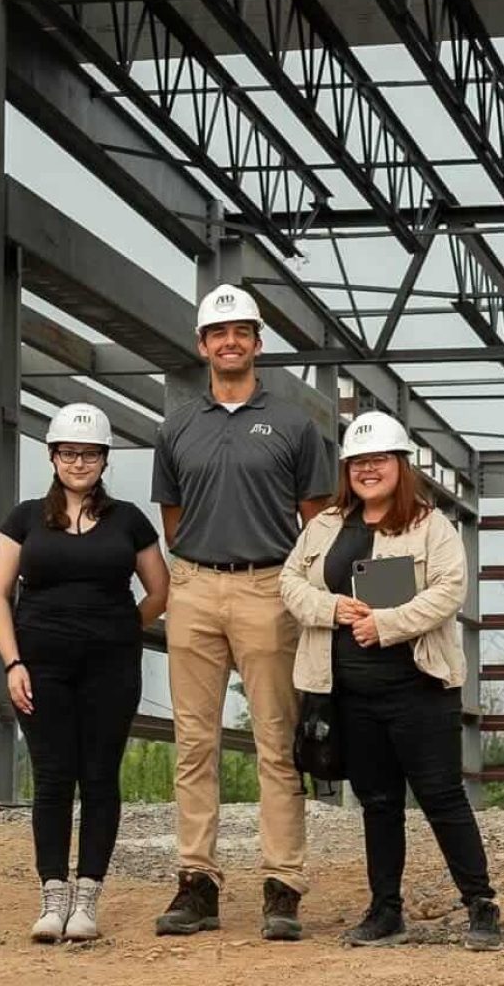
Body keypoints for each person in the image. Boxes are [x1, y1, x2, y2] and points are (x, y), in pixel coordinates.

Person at [151, 283, 333, 941]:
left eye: (242, 332)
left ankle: (282, 886)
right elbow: (173, 522)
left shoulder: (292, 426)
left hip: (267, 588)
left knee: (276, 744)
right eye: (218, 333)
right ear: (202, 346)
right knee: (193, 744)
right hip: (194, 586)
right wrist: (198, 570)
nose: (230, 341)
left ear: (257, 343)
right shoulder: (175, 428)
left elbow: (316, 526)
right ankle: (196, 882)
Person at [279, 411, 501, 951]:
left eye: (379, 460)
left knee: (441, 796)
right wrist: (331, 608)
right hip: (349, 691)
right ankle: (385, 911)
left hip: (419, 688)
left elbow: (450, 590)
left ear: (400, 465)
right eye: (358, 462)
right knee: (377, 802)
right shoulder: (326, 525)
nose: (368, 470)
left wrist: (387, 623)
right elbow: (289, 581)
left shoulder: (432, 526)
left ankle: (480, 903)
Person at [0, 402, 169, 943]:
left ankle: (88, 896)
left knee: (99, 775)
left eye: (90, 454)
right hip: (41, 665)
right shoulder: (23, 518)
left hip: (111, 667)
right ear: (52, 456)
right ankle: (52, 894)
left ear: (105, 460)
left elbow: (160, 590)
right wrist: (12, 661)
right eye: (69, 452)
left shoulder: (129, 520)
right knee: (52, 776)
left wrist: (121, 626)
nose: (79, 462)